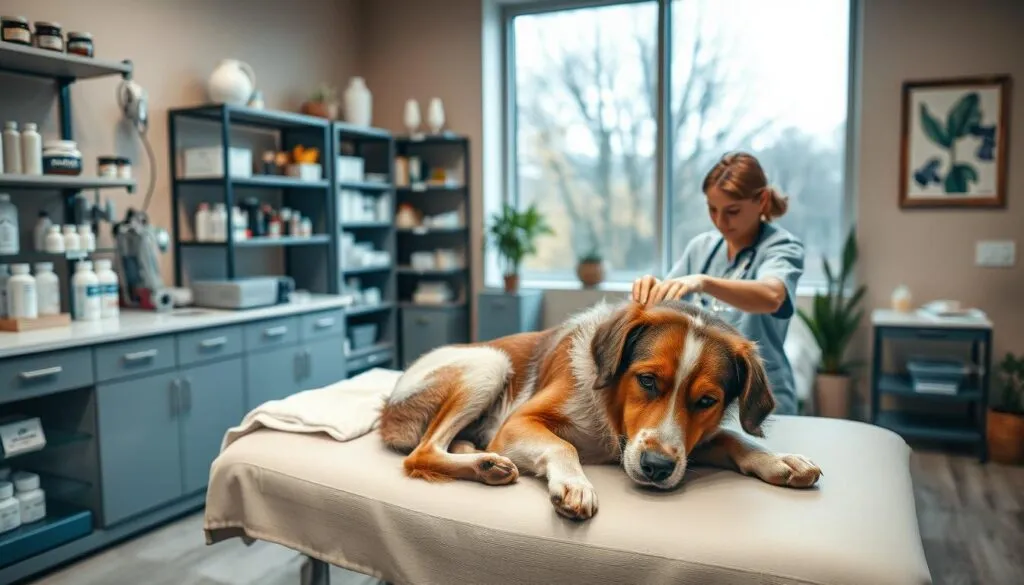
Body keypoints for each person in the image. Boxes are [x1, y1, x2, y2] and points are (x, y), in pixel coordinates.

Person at [631, 152, 805, 415]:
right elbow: (664, 307)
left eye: (732, 211)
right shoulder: (702, 248)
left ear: (762, 200)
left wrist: (703, 282)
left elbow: (772, 295)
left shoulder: (781, 247)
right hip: (706, 398)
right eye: (712, 209)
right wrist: (653, 288)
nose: (720, 222)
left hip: (758, 399)